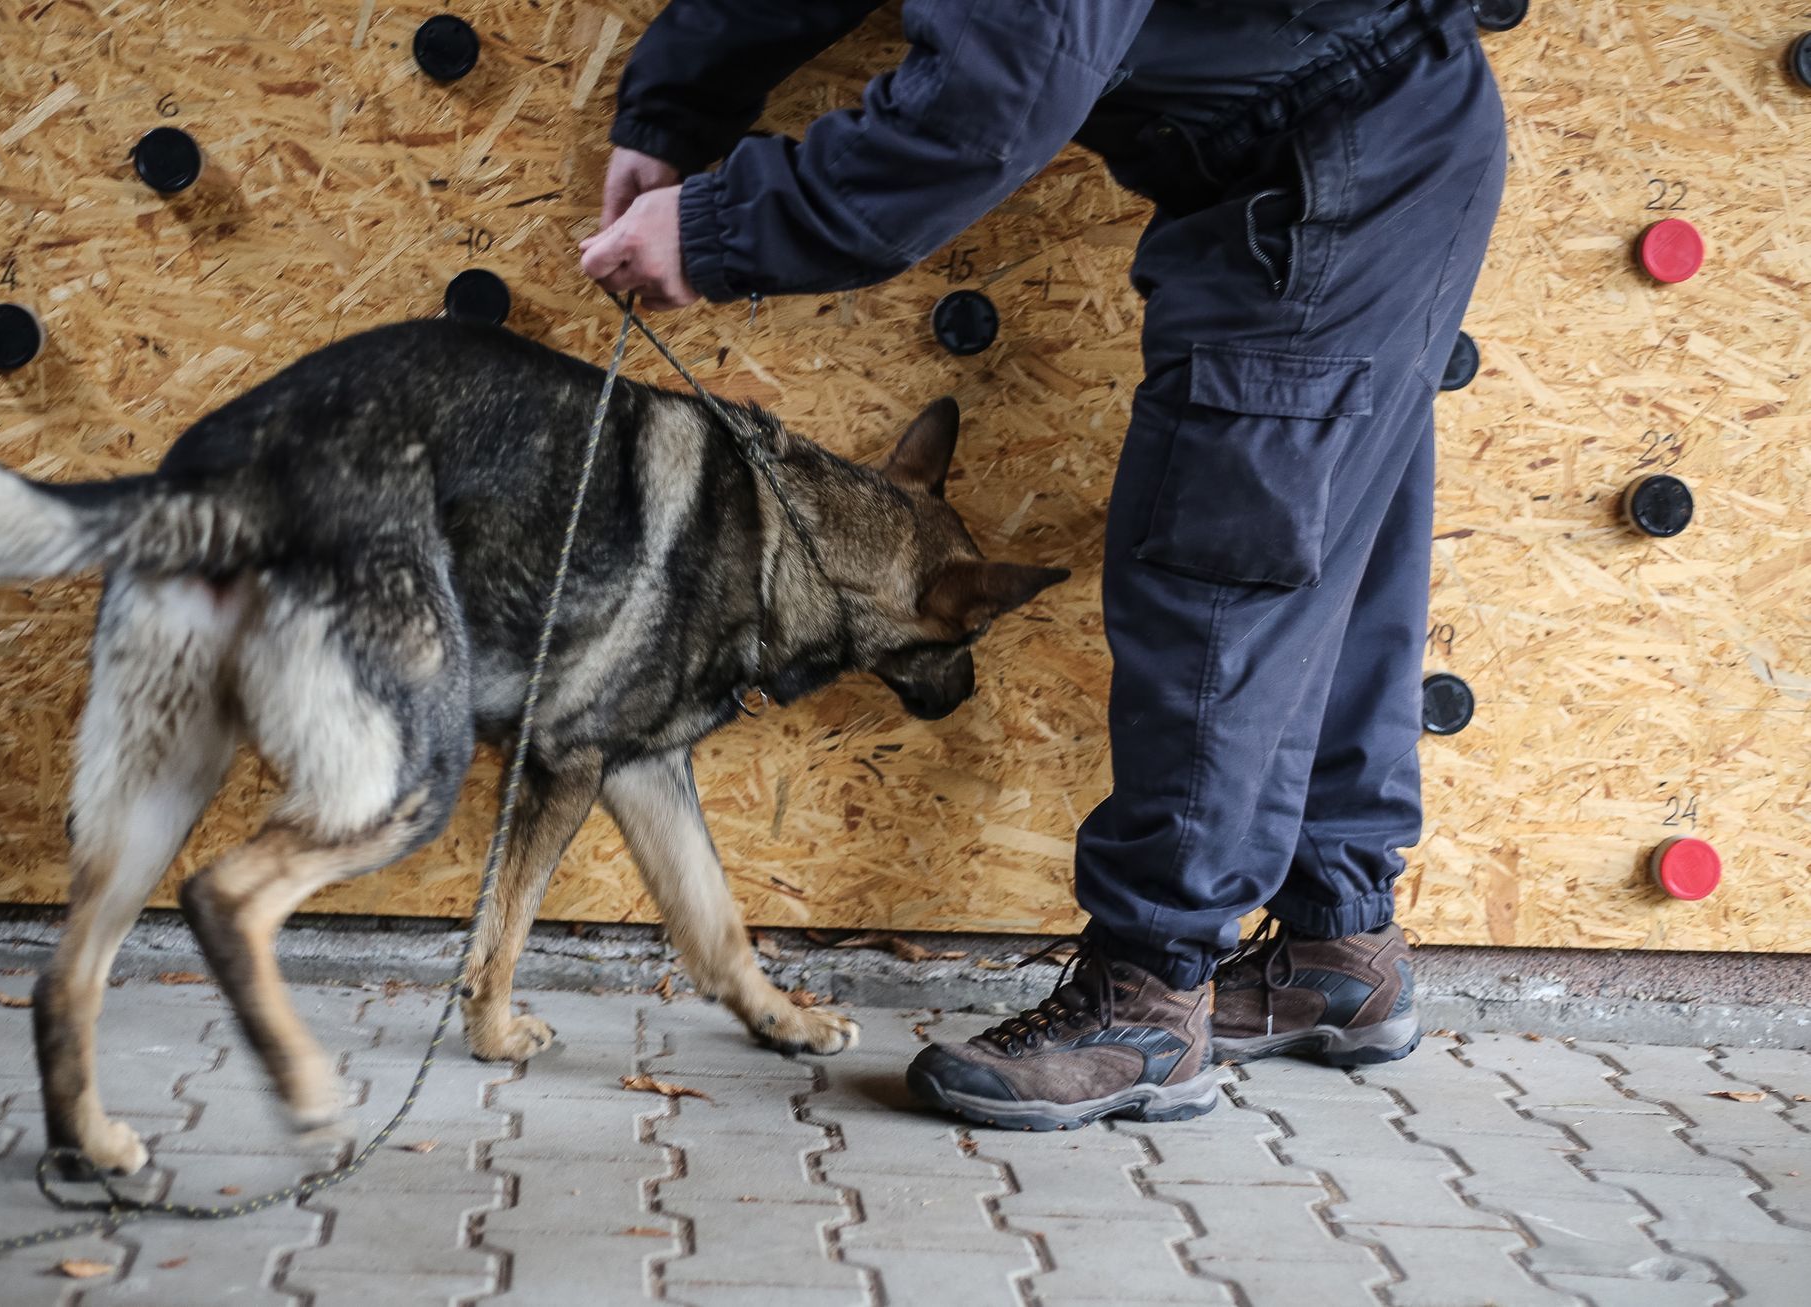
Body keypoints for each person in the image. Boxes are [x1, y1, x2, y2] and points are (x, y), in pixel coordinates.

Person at [581, 0, 1506, 1130]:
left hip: (1339, 164)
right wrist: (673, 111)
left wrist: (720, 229)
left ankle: (1146, 1003)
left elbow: (997, 96)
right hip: (1373, 145)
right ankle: (1336, 950)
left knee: (1220, 569)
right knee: (1326, 568)